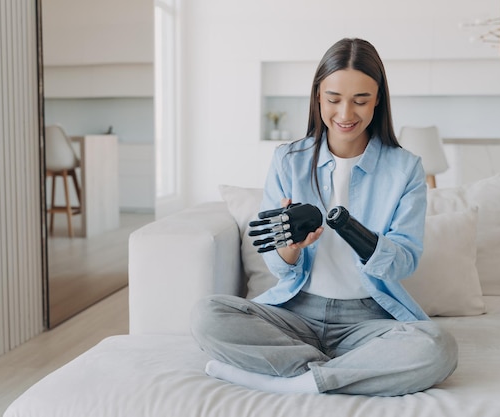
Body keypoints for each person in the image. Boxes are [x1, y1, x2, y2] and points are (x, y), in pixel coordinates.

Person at [191, 38, 458, 396]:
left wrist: (357, 234)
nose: (346, 114)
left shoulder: (405, 168)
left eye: (360, 100)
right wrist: (290, 247)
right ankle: (337, 373)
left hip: (368, 319)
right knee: (207, 314)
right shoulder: (289, 160)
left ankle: (298, 380)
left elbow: (404, 261)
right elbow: (279, 267)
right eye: (334, 99)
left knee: (437, 347)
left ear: (378, 99)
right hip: (295, 313)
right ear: (318, 97)